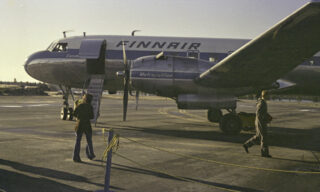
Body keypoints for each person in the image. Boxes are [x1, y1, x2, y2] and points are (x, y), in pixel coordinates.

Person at [243, 90, 272, 158]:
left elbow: (262, 112)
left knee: (259, 136)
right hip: (260, 122)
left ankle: (246, 145)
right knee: (263, 137)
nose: (269, 97)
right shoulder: (262, 103)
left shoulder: (262, 102)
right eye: (268, 95)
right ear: (266, 95)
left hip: (260, 121)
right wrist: (266, 118)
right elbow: (259, 113)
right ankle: (264, 153)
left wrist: (268, 116)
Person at [73, 93, 96, 162]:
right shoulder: (90, 107)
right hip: (87, 126)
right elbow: (92, 116)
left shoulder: (80, 105)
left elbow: (74, 113)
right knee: (89, 141)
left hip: (79, 125)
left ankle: (75, 157)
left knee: (78, 142)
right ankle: (91, 155)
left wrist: (79, 117)